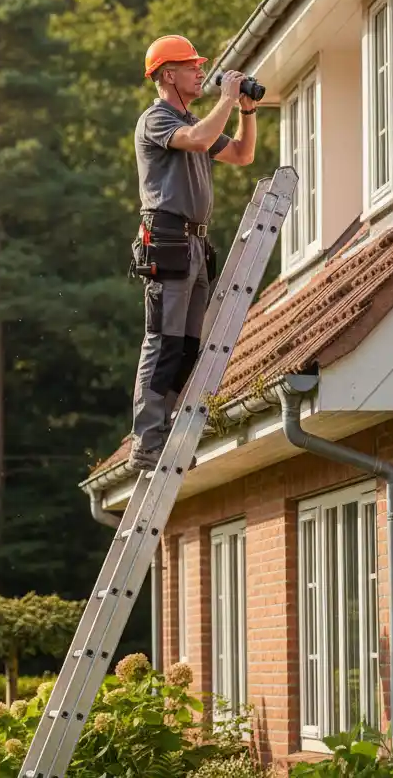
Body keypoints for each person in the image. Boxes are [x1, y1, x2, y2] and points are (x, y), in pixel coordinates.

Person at [127, 34, 258, 472]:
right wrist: (227, 98)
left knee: (187, 345)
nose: (201, 72)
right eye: (191, 66)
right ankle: (147, 440)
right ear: (168, 75)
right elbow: (200, 140)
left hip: (195, 243)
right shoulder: (156, 119)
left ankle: (163, 430)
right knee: (163, 339)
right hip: (168, 238)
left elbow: (242, 154)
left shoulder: (196, 121)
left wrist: (246, 111)